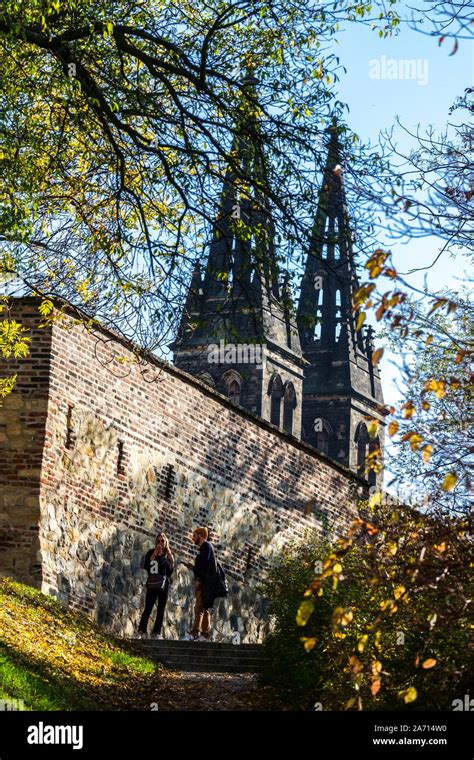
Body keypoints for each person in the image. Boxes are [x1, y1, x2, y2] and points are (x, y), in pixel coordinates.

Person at [137, 533, 174, 639]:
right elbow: (147, 567)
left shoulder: (168, 555)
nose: (160, 543)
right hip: (153, 583)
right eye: (158, 541)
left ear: (166, 542)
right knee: (148, 608)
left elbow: (171, 570)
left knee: (161, 610)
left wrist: (169, 554)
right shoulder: (151, 553)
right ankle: (141, 631)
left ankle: (156, 633)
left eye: (162, 541)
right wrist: (154, 555)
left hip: (164, 584)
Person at [183, 527, 215, 641]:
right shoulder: (205, 548)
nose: (193, 538)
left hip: (205, 582)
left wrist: (198, 579)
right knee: (203, 607)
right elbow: (202, 566)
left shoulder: (206, 546)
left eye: (194, 535)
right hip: (206, 581)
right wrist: (193, 568)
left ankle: (196, 633)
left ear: (201, 535)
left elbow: (205, 566)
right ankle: (203, 634)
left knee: (199, 607)